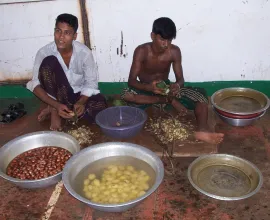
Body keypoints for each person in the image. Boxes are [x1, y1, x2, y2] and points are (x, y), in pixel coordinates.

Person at [122, 17, 224, 144]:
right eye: (162, 39)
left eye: (169, 40)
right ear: (153, 36)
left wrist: (177, 86)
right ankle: (166, 101)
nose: (166, 44)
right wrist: (149, 88)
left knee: (201, 95)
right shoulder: (141, 51)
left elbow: (180, 79)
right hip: (145, 89)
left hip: (166, 89)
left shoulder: (174, 52)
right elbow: (131, 81)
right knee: (126, 94)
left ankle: (202, 129)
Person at [26, 13, 107, 131]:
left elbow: (91, 83)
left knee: (101, 106)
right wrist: (56, 105)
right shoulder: (44, 52)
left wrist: (81, 102)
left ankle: (62, 110)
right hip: (57, 97)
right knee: (49, 61)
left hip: (77, 96)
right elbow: (35, 84)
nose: (61, 37)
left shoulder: (84, 53)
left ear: (74, 36)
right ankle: (54, 110)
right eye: (58, 31)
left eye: (67, 33)